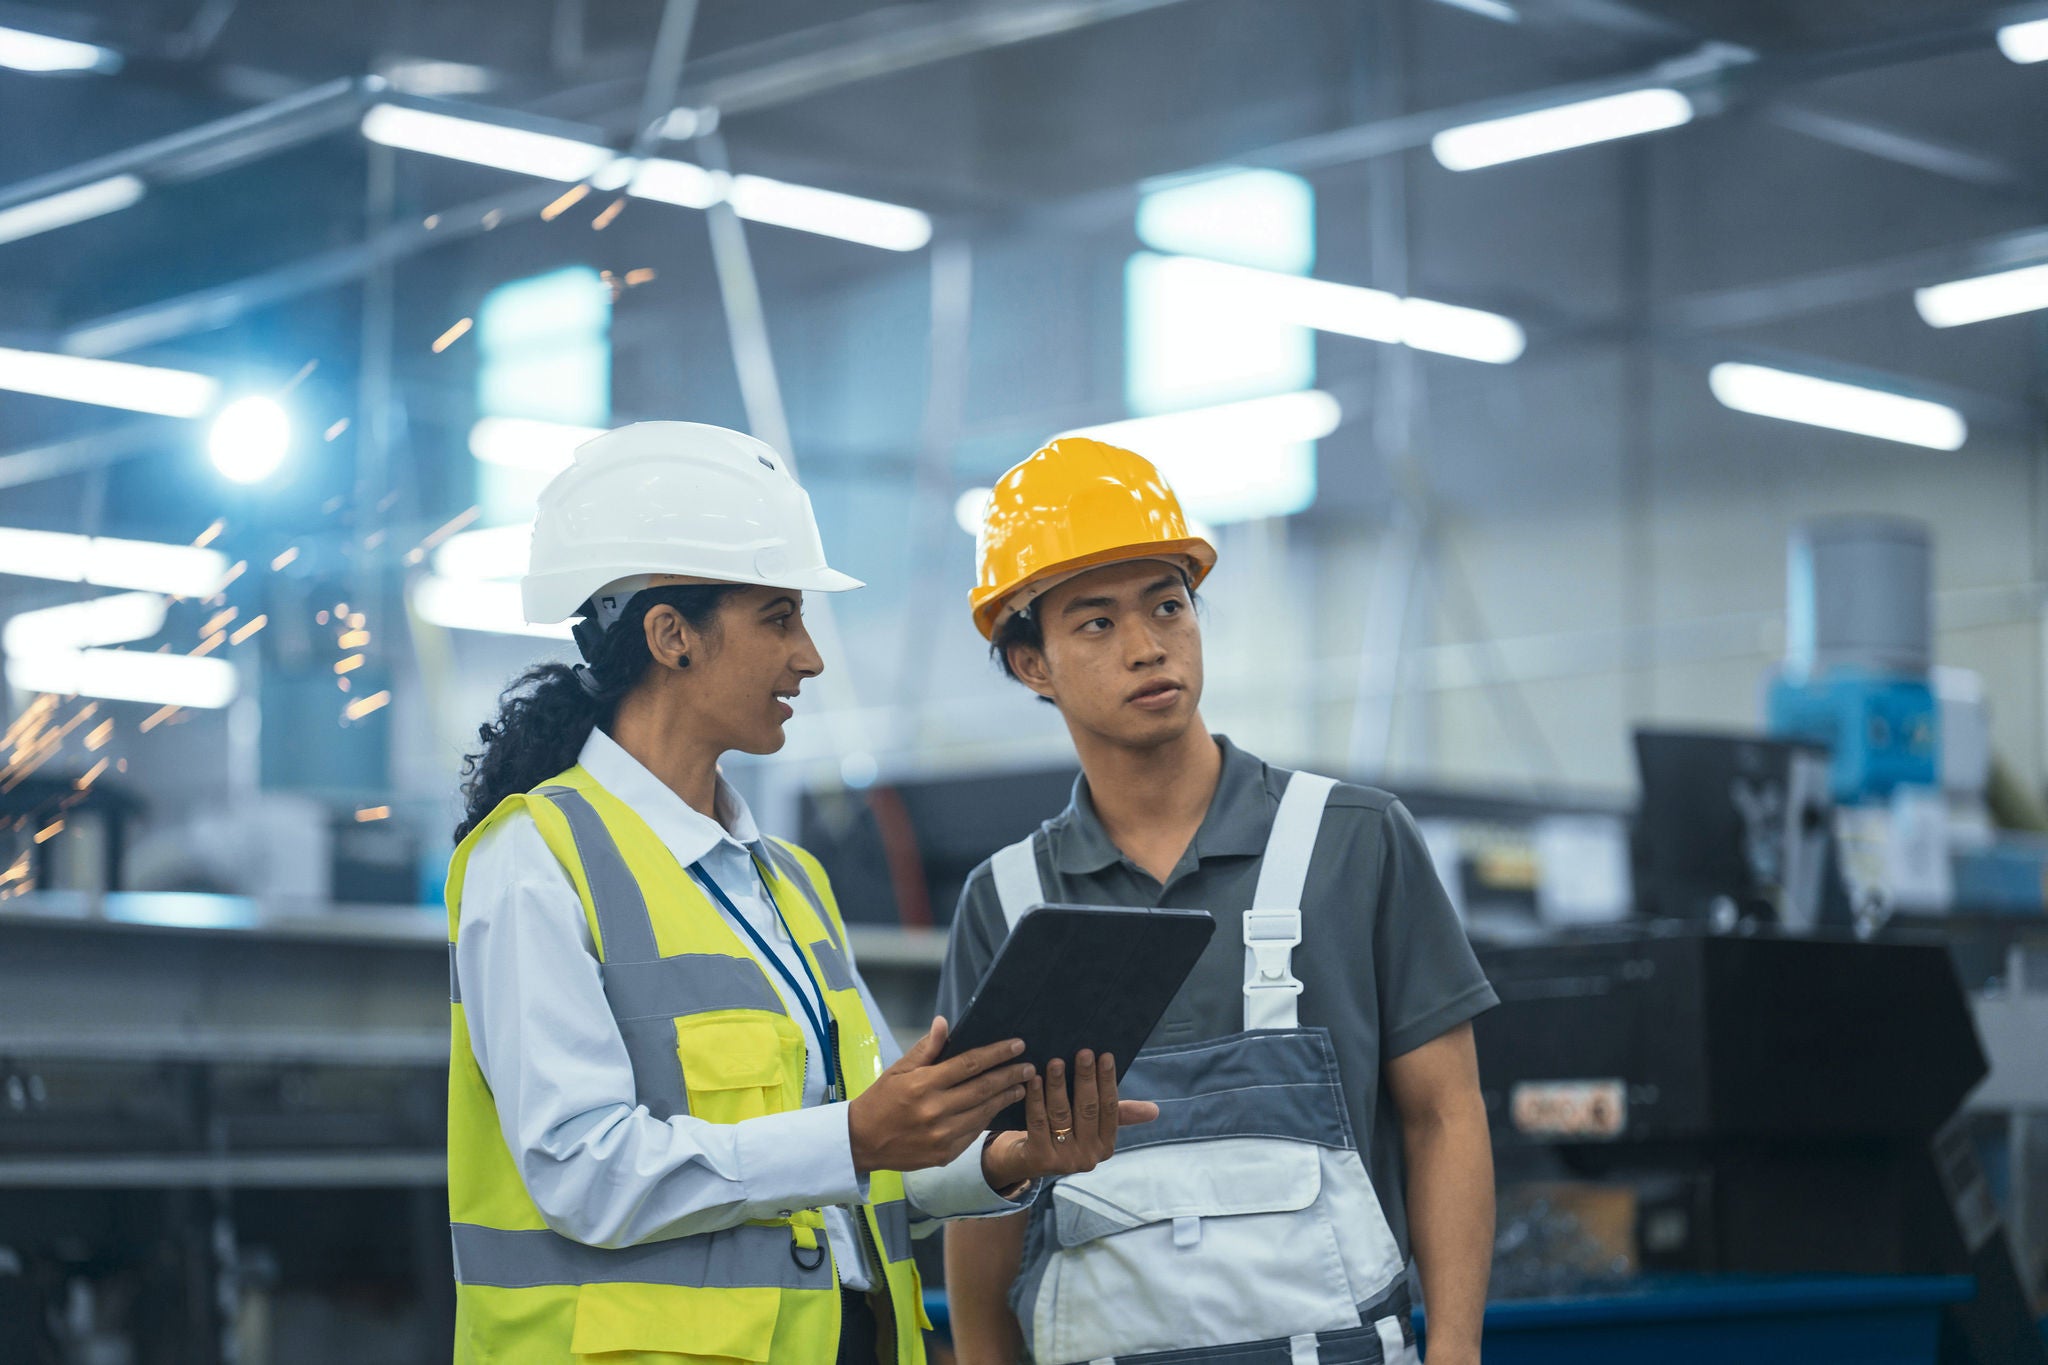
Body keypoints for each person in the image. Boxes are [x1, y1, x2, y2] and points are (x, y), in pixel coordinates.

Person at [444, 422, 1155, 1365]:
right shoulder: (536, 857)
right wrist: (856, 1136)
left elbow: (860, 1153)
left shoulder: (789, 882)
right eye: (781, 617)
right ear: (671, 635)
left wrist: (999, 1157)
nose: (811, 656)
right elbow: (582, 1169)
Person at [940, 438, 1497, 1365]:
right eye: (1096, 624)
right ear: (1031, 664)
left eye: (1168, 604)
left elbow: (1446, 1114)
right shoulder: (1004, 901)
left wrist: (1459, 1351)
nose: (1149, 645)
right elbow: (981, 1187)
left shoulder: (1353, 841)